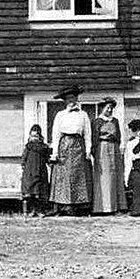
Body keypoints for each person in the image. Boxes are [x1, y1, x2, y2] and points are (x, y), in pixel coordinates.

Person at [48, 86, 93, 216]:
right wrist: (55, 153)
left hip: (79, 146)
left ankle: (80, 206)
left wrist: (88, 150)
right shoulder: (60, 115)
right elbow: (56, 135)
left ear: (77, 99)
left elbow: (87, 134)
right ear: (65, 101)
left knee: (79, 176)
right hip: (64, 146)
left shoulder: (83, 115)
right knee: (65, 176)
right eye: (68, 99)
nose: (71, 101)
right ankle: (64, 206)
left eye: (73, 98)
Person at [92, 97, 127, 215]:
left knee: (115, 176)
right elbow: (94, 138)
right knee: (104, 177)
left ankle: (117, 206)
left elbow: (119, 137)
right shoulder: (97, 121)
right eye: (108, 108)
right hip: (102, 149)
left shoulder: (115, 121)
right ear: (102, 108)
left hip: (114, 149)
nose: (110, 110)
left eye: (111, 108)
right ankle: (103, 207)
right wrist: (96, 151)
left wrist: (115, 144)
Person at [21, 124, 52, 216]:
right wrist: (23, 165)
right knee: (31, 193)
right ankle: (32, 210)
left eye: (36, 136)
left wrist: (50, 162)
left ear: (40, 137)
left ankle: (40, 211)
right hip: (30, 173)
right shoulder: (28, 147)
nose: (34, 138)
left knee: (40, 193)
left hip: (40, 172)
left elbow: (47, 158)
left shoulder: (43, 148)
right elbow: (24, 158)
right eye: (32, 136)